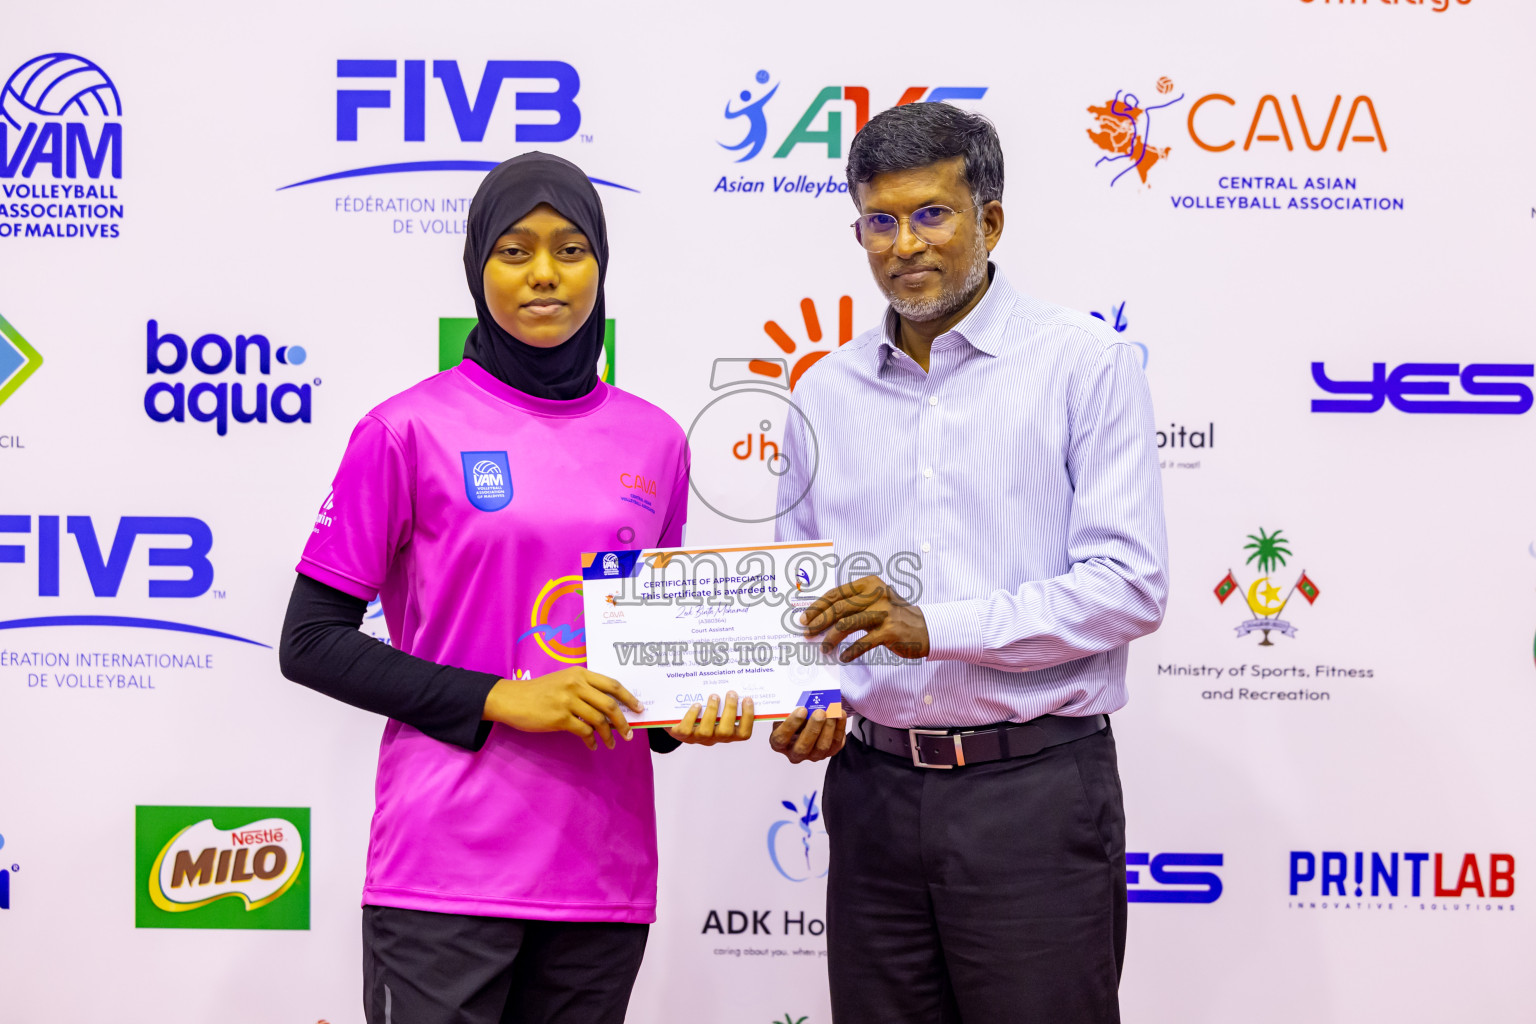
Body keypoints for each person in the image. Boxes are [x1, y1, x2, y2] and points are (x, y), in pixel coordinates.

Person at [278, 152, 752, 1024]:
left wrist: (686, 713)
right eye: (515, 250)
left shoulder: (654, 442)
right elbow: (309, 642)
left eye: (571, 249)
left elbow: (644, 666)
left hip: (601, 878)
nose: (544, 273)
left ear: (601, 267)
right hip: (444, 872)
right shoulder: (406, 429)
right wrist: (503, 698)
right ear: (475, 267)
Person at [766, 104, 1168, 1024]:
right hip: (871, 797)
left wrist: (932, 625)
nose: (904, 244)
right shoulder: (822, 395)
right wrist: (807, 697)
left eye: (932, 214)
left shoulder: (1083, 364)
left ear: (991, 219)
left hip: (1030, 795)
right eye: (880, 220)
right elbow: (802, 602)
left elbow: (1128, 584)